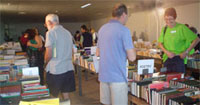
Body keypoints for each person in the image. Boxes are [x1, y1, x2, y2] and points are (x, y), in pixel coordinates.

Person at [96, 3, 136, 105]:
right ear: (123, 14)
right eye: (127, 16)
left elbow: (98, 52)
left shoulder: (102, 29)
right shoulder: (124, 30)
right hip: (117, 78)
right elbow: (132, 57)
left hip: (104, 76)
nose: (127, 18)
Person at [44, 14, 75, 101]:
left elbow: (49, 53)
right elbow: (72, 51)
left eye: (46, 24)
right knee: (66, 95)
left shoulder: (50, 33)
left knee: (54, 96)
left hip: (56, 70)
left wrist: (45, 63)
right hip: (68, 68)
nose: (46, 26)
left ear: (49, 22)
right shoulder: (67, 32)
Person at [158, 8, 200, 73]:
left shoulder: (182, 28)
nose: (168, 21)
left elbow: (196, 39)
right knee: (166, 80)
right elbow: (160, 43)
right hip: (167, 59)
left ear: (175, 18)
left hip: (179, 59)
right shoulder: (164, 29)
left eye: (170, 19)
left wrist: (186, 52)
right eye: (166, 19)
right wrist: (166, 52)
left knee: (178, 81)